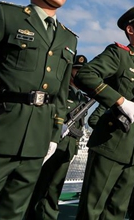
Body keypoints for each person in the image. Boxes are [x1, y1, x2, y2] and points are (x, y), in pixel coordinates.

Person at [0, 0, 77, 219]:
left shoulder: (68, 38)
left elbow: (61, 93)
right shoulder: (7, 16)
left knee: (14, 212)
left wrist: (53, 135)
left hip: (37, 139)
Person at [74, 3, 134, 219]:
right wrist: (119, 100)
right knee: (92, 210)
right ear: (130, 29)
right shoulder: (118, 54)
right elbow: (86, 75)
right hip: (110, 143)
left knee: (117, 211)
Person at [26, 55, 88, 219]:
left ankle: (48, 215)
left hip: (69, 147)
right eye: (77, 70)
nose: (79, 74)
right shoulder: (60, 91)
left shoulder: (82, 97)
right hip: (54, 142)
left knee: (55, 187)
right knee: (40, 183)